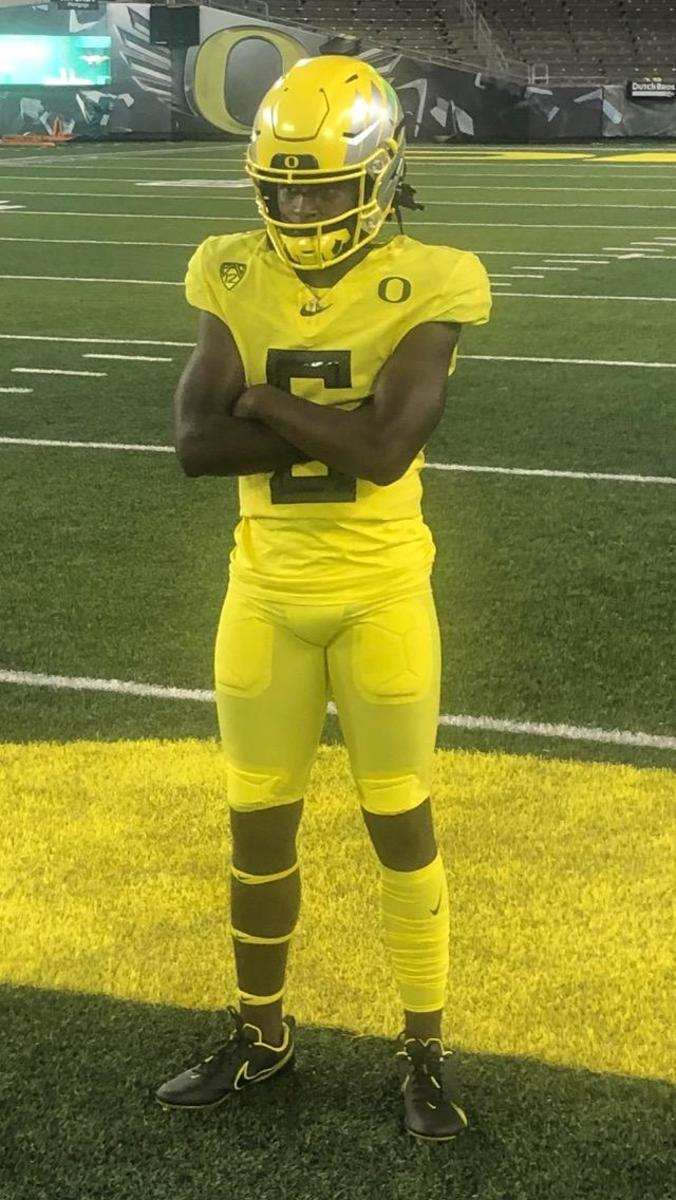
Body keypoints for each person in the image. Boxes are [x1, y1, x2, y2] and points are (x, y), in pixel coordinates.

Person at [156, 54, 491, 1142]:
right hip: (263, 590)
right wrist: (308, 414)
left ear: (380, 176)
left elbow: (386, 449)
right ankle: (262, 1037)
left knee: (399, 822)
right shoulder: (228, 269)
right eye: (284, 188)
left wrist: (263, 393)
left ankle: (425, 1053)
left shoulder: (436, 277)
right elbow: (195, 447)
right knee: (255, 825)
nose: (299, 209)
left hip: (380, 590)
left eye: (321, 189)